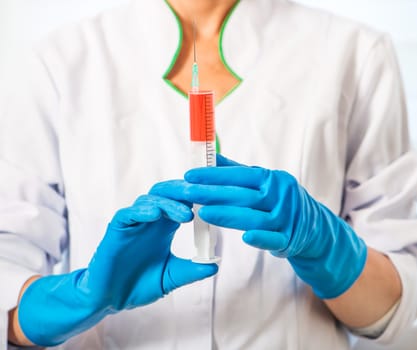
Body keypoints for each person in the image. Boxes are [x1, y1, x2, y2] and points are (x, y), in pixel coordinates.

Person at [1, 0, 417, 348]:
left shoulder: (355, 53)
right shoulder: (60, 62)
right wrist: (82, 298)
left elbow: (400, 313)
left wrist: (331, 252)